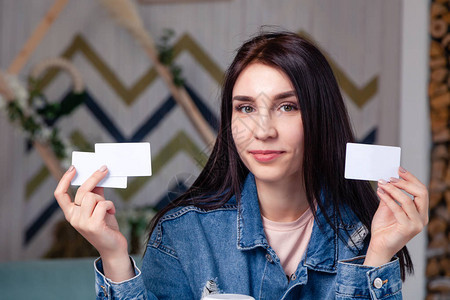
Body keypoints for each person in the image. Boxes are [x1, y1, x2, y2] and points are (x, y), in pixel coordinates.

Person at [54, 31, 429, 299]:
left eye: (287, 106)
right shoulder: (185, 235)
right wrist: (114, 256)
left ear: (320, 116)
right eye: (246, 108)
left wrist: (377, 257)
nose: (262, 130)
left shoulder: (365, 235)